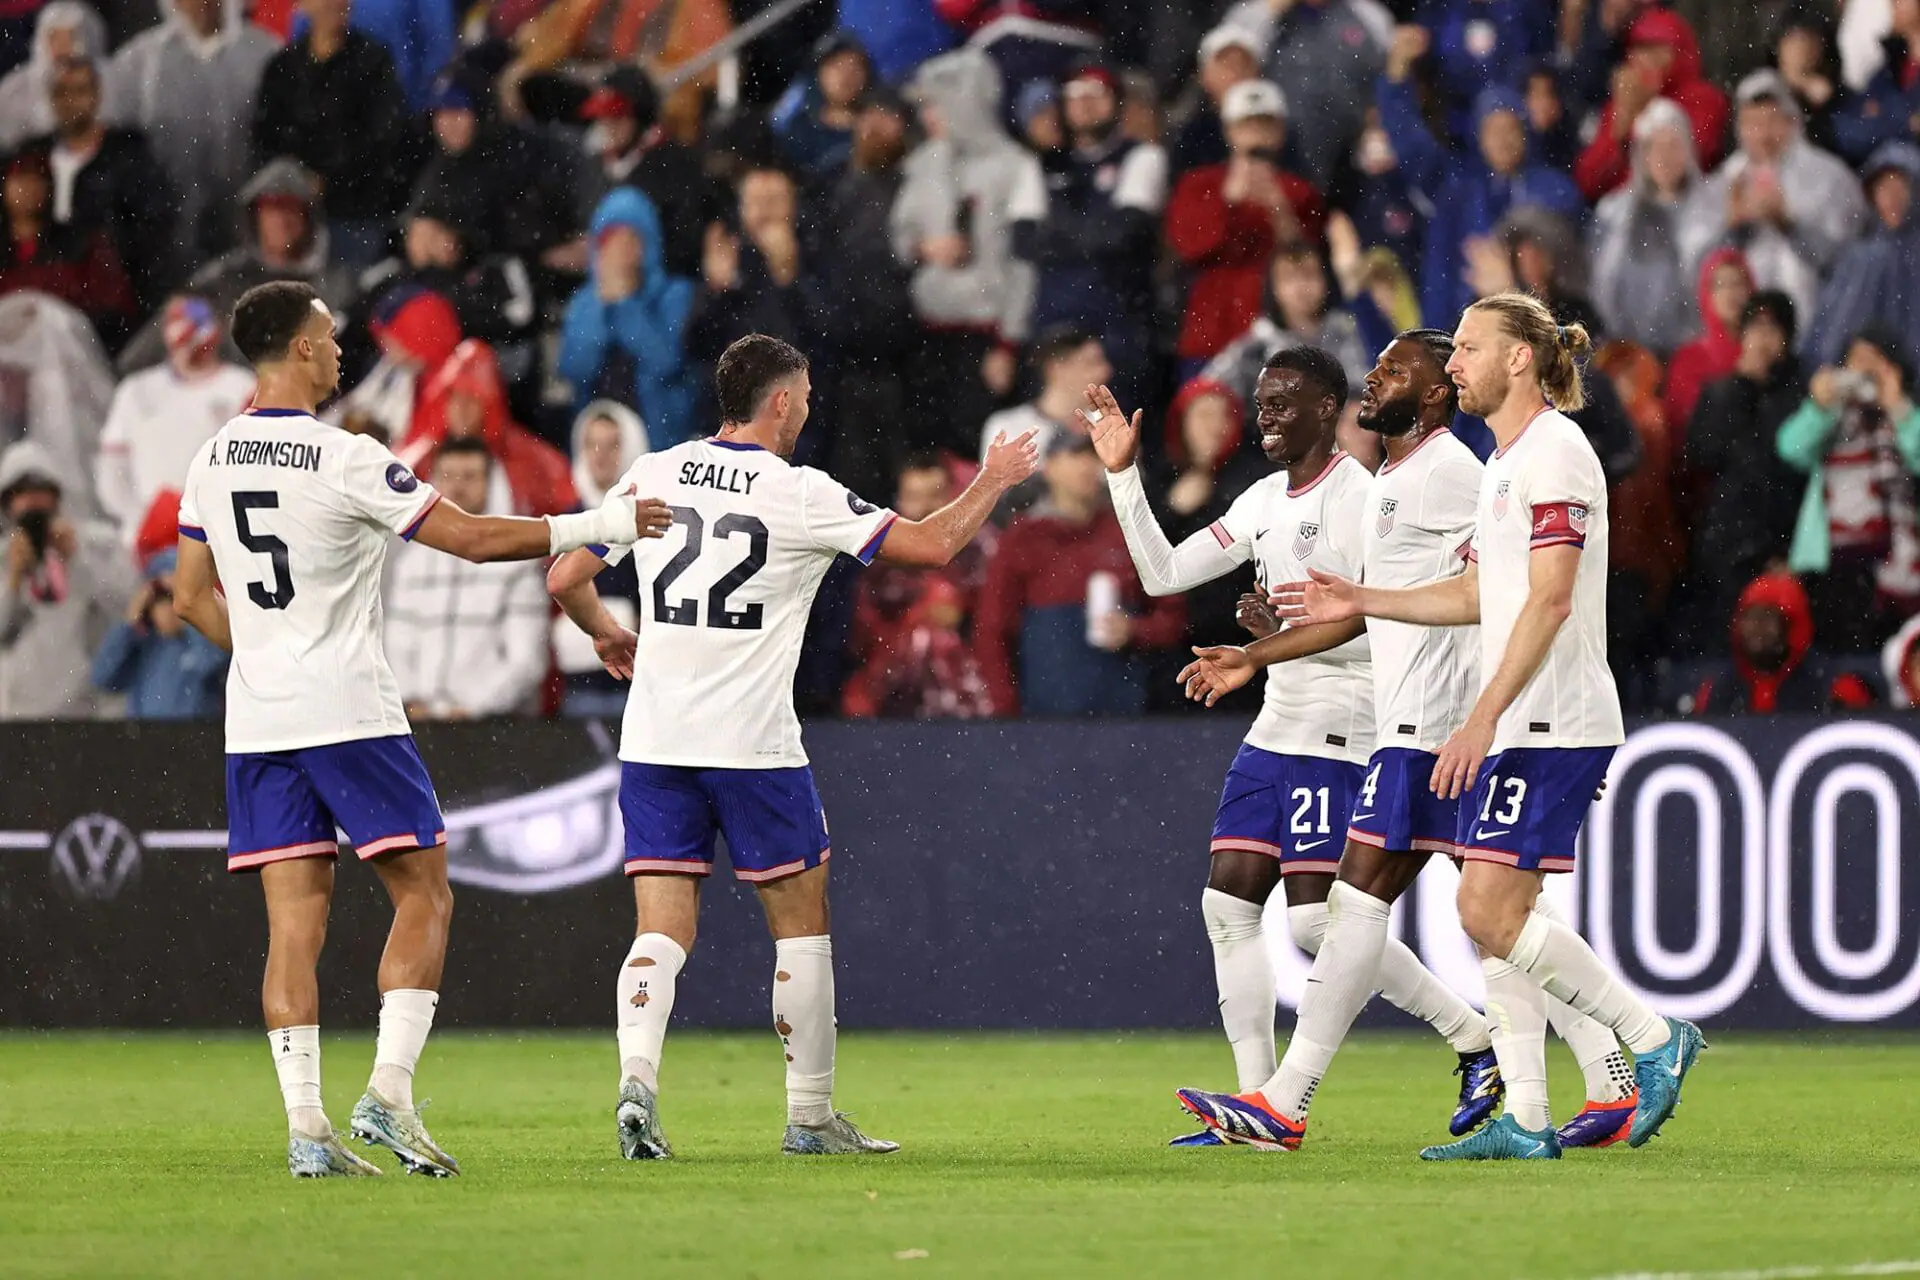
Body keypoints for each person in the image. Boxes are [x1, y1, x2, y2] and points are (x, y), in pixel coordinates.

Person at [168, 279, 668, 1178]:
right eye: (326, 337)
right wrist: (603, 522)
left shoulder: (210, 461)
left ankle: (307, 1131)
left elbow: (187, 599)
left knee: (292, 931)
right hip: (349, 713)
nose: (338, 350)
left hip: (259, 721)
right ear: (296, 350)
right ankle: (389, 1093)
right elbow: (473, 540)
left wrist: (271, 652)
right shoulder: (345, 458)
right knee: (426, 895)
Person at [1208, 294, 1706, 1161]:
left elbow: (1549, 599)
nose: (1457, 363)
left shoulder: (1536, 456)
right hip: (1504, 718)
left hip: (1522, 717)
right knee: (1491, 914)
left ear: (1519, 359)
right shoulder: (1509, 461)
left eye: (1468, 349)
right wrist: (1361, 599)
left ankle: (1648, 1041)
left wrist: (1475, 718)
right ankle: (1549, 1102)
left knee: (1422, 907)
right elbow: (1479, 593)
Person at [545, 333, 1039, 1160]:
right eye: (804, 394)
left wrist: (608, 634)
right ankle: (810, 1117)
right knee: (800, 929)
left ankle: (638, 1082)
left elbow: (564, 576)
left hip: (657, 740)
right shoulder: (799, 492)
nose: (808, 407)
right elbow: (932, 547)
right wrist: (992, 478)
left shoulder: (655, 471)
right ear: (780, 401)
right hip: (754, 745)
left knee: (662, 928)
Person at [1085, 346, 1501, 1146]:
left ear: (1326, 410)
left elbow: (1387, 627)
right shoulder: (1266, 500)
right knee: (1226, 905)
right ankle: (1254, 1103)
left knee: (1316, 928)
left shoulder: (1364, 499)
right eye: (1262, 403)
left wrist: (1279, 643)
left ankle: (1469, 1033)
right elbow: (1164, 574)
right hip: (1278, 724)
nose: (1266, 416)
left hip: (1349, 728)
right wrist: (1122, 475)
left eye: (1283, 403)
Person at [890, 48, 1040, 456]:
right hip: (926, 336)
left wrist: (1008, 344)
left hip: (986, 338)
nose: (928, 116)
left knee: (978, 452)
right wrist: (925, 247)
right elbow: (899, 239)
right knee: (927, 452)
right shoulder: (921, 164)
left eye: (936, 105)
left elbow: (1025, 264)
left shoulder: (1018, 167)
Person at [1378, 30, 1583, 327]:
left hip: (1540, 328)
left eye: (1511, 129)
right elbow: (1412, 146)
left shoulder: (1556, 190)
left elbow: (1570, 270)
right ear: (1478, 137)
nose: (1503, 140)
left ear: (1525, 134)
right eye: (1493, 130)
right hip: (1465, 332)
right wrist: (1395, 85)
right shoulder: (1456, 190)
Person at [973, 431, 1186, 716]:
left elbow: (1175, 617)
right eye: (1075, 456)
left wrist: (1134, 631)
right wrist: (1006, 712)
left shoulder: (1130, 532)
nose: (1087, 466)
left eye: (1093, 457)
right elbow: (992, 631)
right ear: (1049, 467)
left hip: (1126, 719)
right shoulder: (1022, 540)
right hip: (1044, 720)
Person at [1008, 62, 1167, 409]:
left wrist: (1058, 235)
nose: (1085, 103)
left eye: (1097, 93)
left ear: (1118, 103)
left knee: (1118, 436)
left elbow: (1125, 234)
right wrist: (1094, 234)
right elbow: (1022, 240)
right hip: (1054, 326)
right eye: (1075, 95)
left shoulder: (1143, 156)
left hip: (1120, 325)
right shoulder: (1040, 164)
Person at [384, 439, 551, 719]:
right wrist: (411, 700)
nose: (457, 486)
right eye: (447, 476)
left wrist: (472, 709)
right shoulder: (411, 563)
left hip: (495, 727)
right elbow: (396, 642)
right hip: (420, 721)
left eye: (470, 476)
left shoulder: (517, 560)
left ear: (492, 482)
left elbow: (527, 660)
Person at [1679, 291, 1808, 651]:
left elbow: (1795, 467)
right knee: (1727, 648)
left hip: (1786, 543)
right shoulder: (1721, 391)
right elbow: (1702, 453)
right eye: (1754, 328)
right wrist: (1741, 386)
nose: (1762, 339)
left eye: (1772, 329)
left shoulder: (1804, 394)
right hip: (1729, 547)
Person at [1777, 327, 1920, 650]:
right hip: (1835, 569)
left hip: (1904, 565)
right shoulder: (1829, 415)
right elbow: (1790, 448)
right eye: (1858, 360)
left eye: (1875, 359)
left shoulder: (1908, 412)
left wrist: (1899, 409)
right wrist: (1819, 408)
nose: (1866, 370)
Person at [1167, 79, 1325, 372]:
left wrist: (1280, 211)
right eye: (1246, 125)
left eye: (1265, 125)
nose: (1256, 135)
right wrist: (1227, 201)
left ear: (1280, 132)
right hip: (1211, 331)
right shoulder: (1198, 184)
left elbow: (1306, 261)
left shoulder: (1299, 191)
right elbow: (1189, 248)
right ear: (1229, 132)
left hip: (1280, 333)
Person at [107, 0, 281, 257]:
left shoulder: (265, 51)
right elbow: (116, 136)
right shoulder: (140, 61)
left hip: (250, 217)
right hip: (166, 221)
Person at [250, 0, 410, 270]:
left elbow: (384, 138)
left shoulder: (373, 62)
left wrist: (329, 179)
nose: (332, 5)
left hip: (356, 214)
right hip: (293, 219)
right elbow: (265, 139)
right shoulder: (282, 67)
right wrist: (296, 181)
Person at [1700, 70, 1867, 323]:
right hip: (1744, 341)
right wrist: (1732, 227)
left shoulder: (1830, 177)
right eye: (1753, 124)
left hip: (1818, 325)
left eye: (1772, 121)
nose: (1763, 135)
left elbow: (1849, 262)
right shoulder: (1724, 182)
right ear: (1739, 128)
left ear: (1792, 121)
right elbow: (1699, 275)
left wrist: (1789, 225)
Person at [94, 295, 256, 542]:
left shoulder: (243, 388)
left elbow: (256, 468)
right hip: (147, 536)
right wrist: (145, 520)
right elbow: (111, 471)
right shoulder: (135, 390)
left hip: (220, 535)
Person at [0, 437, 133, 718]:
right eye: (22, 492)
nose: (33, 503)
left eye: (41, 491)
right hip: (17, 712)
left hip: (85, 708)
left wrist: (78, 559)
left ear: (57, 496)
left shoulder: (97, 544)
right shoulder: (4, 559)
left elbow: (129, 607)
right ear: (7, 504)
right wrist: (12, 581)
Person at [557, 187, 696, 449]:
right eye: (611, 240)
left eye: (631, 239)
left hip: (659, 438)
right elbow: (575, 369)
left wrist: (625, 304)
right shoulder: (585, 302)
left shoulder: (675, 294)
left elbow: (666, 363)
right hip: (598, 441)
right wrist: (603, 307)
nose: (621, 251)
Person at [37, 55, 178, 314]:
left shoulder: (128, 154)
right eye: (60, 91)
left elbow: (154, 228)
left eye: (79, 90)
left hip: (113, 298)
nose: (69, 101)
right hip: (46, 292)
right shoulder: (34, 157)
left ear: (97, 94)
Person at [1589, 97, 1723, 356]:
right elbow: (1601, 284)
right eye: (1654, 147)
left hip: (1696, 354)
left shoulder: (1714, 210)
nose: (1665, 157)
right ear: (1642, 155)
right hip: (1629, 353)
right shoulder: (1615, 211)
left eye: (1674, 145)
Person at [1572, 6, 1728, 200]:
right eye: (1640, 49)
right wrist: (1624, 118)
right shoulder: (1621, 104)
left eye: (1658, 48)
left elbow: (1690, 160)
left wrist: (1645, 107)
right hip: (1630, 214)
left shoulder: (1705, 99)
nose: (1648, 59)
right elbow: (1588, 180)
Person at [1686, 571, 1878, 714]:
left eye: (1767, 618)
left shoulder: (1836, 688)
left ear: (1792, 625)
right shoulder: (1716, 689)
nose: (1756, 628)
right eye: (1749, 617)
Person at [1803, 141, 1920, 370]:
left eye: (1902, 188)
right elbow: (1832, 333)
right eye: (1884, 188)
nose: (1892, 198)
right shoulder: (1859, 256)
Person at [976, 325, 1111, 516]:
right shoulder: (1007, 426)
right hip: (1026, 538)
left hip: (1096, 536)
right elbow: (995, 500)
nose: (1105, 371)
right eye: (1091, 363)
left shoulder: (1109, 424)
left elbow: (1129, 494)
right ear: (1057, 368)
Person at [90, 543, 229, 718]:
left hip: (196, 740)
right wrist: (130, 624)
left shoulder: (209, 638)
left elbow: (208, 664)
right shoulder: (141, 643)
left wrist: (191, 618)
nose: (168, 608)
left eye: (175, 597)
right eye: (161, 599)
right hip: (146, 741)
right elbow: (102, 678)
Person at [1664, 248, 1755, 439]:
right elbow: (1687, 429)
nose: (1730, 292)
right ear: (1707, 293)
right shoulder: (1688, 360)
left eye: (1738, 283)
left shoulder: (1765, 352)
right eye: (1720, 284)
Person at [770, 31, 872, 179]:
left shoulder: (877, 120)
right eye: (836, 66)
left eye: (856, 68)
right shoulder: (800, 131)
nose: (846, 75)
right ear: (819, 72)